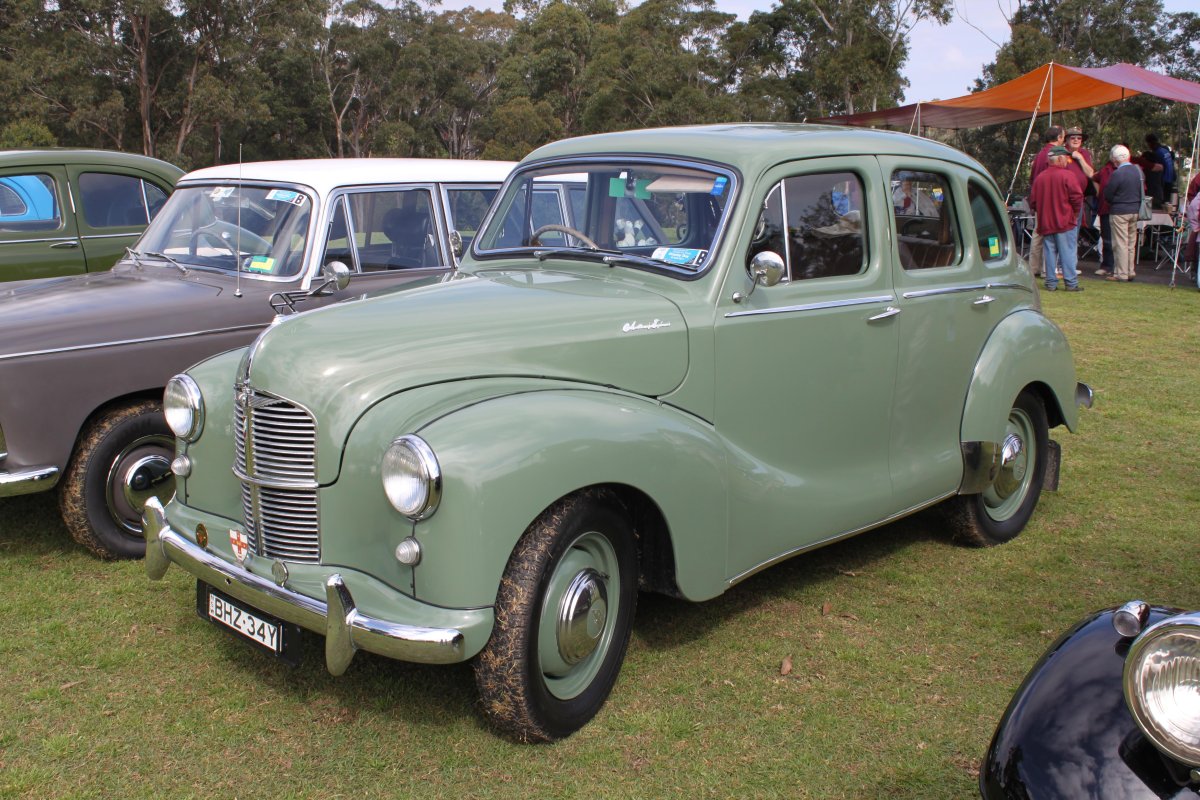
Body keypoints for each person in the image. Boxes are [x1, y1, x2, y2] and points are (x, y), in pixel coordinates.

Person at [1029, 145, 1084, 291]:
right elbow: (1077, 197)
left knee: (1049, 253)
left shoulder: (1040, 178)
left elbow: (1033, 201)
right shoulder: (1067, 175)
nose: (1067, 160)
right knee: (1068, 252)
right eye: (1066, 158)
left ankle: (1051, 283)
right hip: (1065, 221)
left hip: (1046, 222)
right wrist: (1075, 213)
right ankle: (1071, 283)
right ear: (1060, 159)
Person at [1102, 144, 1143, 283]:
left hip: (1119, 210)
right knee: (1131, 243)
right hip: (1135, 210)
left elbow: (1108, 193)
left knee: (1120, 243)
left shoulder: (1117, 173)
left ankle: (1121, 273)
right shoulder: (1137, 171)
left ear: (1115, 159)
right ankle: (1130, 270)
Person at [1028, 126, 1064, 278]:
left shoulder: (1039, 154)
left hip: (1039, 200)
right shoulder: (1054, 154)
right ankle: (1046, 269)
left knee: (1038, 234)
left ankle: (1033, 267)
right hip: (1050, 199)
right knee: (1050, 235)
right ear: (1059, 137)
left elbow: (1032, 178)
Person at [1092, 149, 1119, 276]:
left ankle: (1119, 267)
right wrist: (1098, 192)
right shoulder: (1105, 170)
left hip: (1120, 210)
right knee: (1107, 239)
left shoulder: (1129, 170)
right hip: (1105, 209)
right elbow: (1093, 177)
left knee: (1121, 240)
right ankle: (1107, 265)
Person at [1063, 127, 1095, 227]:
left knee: (1077, 227)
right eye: (1073, 138)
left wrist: (1080, 158)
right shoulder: (1062, 153)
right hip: (1065, 198)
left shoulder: (1084, 153)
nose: (1076, 140)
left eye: (1079, 138)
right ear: (1067, 140)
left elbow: (1090, 173)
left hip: (1079, 198)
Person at [1145, 133, 1176, 202]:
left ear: (1151, 143)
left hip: (1165, 181)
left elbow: (1158, 170)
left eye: (1148, 144)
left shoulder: (1157, 153)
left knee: (1164, 203)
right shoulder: (1164, 150)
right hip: (1170, 179)